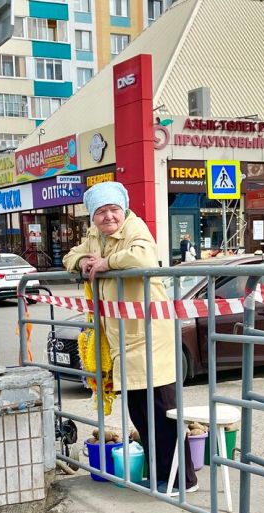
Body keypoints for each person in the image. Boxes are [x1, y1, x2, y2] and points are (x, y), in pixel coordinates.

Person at [62, 181, 196, 494]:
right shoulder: (96, 236)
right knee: (140, 411)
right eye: (101, 212)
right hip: (124, 338)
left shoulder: (135, 229)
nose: (109, 217)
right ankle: (161, 472)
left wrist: (107, 263)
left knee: (163, 410)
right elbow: (73, 255)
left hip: (149, 335)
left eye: (114, 210)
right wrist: (83, 262)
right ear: (92, 216)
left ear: (124, 209)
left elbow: (144, 259)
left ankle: (183, 478)